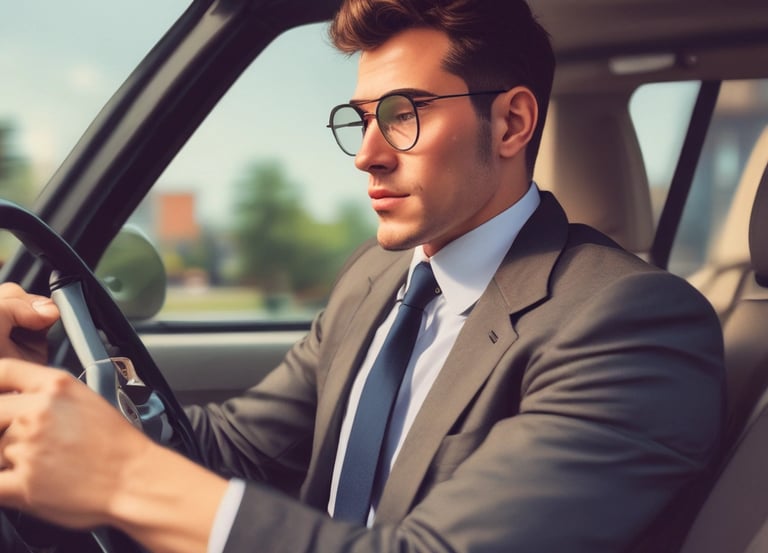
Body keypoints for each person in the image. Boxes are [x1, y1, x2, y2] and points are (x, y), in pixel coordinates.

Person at [0, 1, 725, 552]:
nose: (367, 155)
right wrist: (35, 391)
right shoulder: (377, 277)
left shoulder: (634, 324)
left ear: (510, 124)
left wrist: (127, 478)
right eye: (362, 119)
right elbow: (232, 453)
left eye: (404, 115)